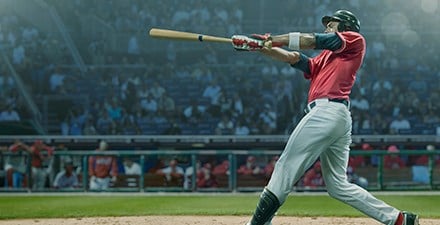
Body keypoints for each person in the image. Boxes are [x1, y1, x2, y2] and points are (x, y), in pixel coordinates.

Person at [231, 9, 419, 225]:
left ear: (346, 26)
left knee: (285, 166)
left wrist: (273, 39)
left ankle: (258, 223)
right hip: (336, 117)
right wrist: (261, 48)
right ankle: (399, 219)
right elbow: (294, 58)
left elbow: (311, 40)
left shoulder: (355, 40)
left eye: (332, 23)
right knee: (338, 185)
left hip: (326, 113)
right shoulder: (327, 57)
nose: (327, 27)